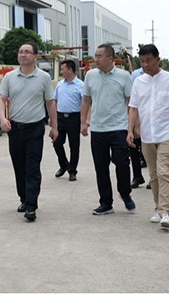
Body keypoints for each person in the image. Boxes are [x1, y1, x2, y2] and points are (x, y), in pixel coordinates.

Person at [127, 44, 169, 229]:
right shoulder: (138, 82)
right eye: (142, 61)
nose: (145, 65)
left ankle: (166, 212)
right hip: (147, 135)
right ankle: (158, 208)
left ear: (158, 59)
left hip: (166, 133)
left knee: (164, 172)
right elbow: (133, 108)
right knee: (153, 175)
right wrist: (130, 130)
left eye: (149, 60)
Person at [0, 42, 58, 222]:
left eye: (27, 52)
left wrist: (54, 127)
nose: (23, 55)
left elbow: (50, 103)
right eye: (21, 52)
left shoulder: (43, 78)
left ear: (35, 57)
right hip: (15, 128)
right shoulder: (9, 77)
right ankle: (24, 198)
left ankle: (31, 205)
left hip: (35, 129)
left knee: (32, 167)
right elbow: (1, 99)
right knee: (19, 166)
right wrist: (2, 118)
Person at [80, 43, 136, 215]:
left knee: (122, 163)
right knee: (101, 167)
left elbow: (131, 102)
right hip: (98, 128)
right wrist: (83, 122)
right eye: (95, 56)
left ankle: (125, 193)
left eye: (99, 56)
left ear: (110, 58)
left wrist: (132, 128)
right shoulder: (90, 75)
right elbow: (86, 99)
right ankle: (106, 203)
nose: (95, 59)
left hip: (119, 127)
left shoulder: (124, 76)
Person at [53, 59, 84, 181]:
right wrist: (52, 117)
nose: (61, 72)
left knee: (74, 146)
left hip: (74, 118)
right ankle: (64, 164)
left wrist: (85, 120)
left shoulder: (80, 85)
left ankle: (72, 170)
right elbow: (54, 101)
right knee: (57, 143)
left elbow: (85, 103)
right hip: (60, 117)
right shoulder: (60, 84)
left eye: (62, 69)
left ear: (70, 70)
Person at [129, 66, 147, 189]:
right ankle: (137, 176)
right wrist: (134, 124)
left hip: (151, 118)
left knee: (151, 150)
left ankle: (154, 178)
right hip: (136, 116)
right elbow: (131, 101)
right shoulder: (135, 75)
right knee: (134, 148)